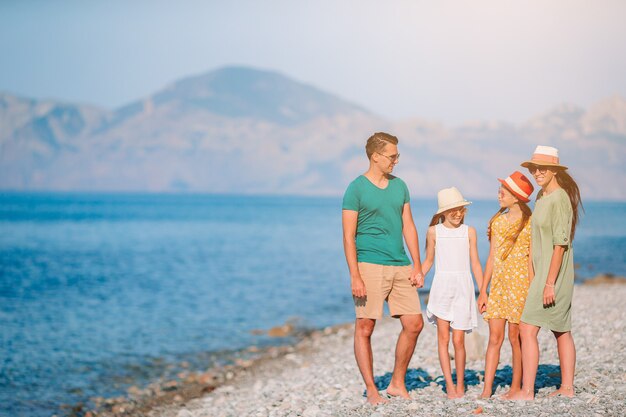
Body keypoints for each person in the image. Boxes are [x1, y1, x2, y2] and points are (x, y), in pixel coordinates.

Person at [342, 132, 425, 404]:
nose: (396, 161)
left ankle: (397, 383)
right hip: (369, 264)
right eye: (392, 156)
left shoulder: (400, 186)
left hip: (400, 264)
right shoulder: (356, 188)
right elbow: (348, 235)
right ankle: (372, 390)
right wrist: (355, 275)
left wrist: (418, 264)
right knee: (365, 327)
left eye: (397, 156)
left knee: (414, 323)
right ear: (375, 156)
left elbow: (409, 226)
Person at [508, 145, 583, 400]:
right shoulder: (541, 196)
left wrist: (549, 283)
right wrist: (533, 278)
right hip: (541, 275)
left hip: (556, 274)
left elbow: (560, 244)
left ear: (554, 170)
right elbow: (535, 241)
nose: (537, 172)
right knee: (557, 329)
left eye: (542, 168)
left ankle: (531, 391)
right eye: (534, 168)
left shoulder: (560, 198)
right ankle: (565, 388)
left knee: (534, 329)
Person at [421, 187, 483, 399]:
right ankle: (449, 385)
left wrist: (483, 291)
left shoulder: (469, 231)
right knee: (442, 339)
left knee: (458, 340)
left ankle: (460, 384)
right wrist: (417, 275)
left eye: (461, 209)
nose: (458, 213)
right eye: (453, 210)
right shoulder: (433, 232)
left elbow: (475, 263)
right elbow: (429, 260)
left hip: (464, 288)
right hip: (442, 287)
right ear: (443, 212)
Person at [477, 172, 534, 399]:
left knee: (515, 337)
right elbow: (491, 257)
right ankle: (486, 389)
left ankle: (515, 387)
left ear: (517, 197)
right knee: (494, 337)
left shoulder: (530, 224)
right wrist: (483, 290)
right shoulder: (497, 222)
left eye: (505, 191)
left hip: (521, 287)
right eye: (501, 189)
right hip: (499, 287)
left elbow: (531, 259)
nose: (500, 194)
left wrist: (533, 290)